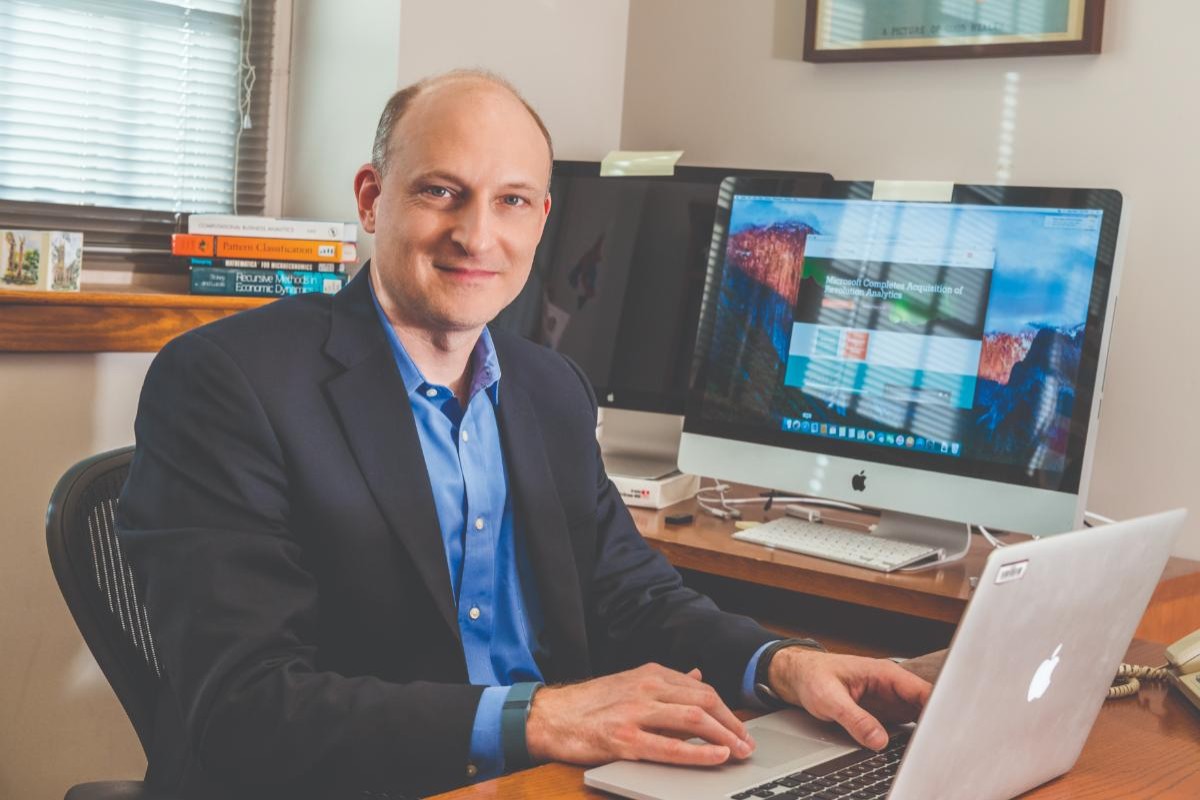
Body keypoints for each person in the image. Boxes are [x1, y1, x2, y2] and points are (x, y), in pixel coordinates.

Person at [117, 70, 931, 800]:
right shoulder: (227, 382)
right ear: (371, 199)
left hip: (554, 778)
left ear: (542, 219)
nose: (477, 236)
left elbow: (632, 594)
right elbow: (244, 705)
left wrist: (783, 663)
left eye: (510, 200)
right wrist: (538, 717)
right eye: (441, 191)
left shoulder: (549, 388)